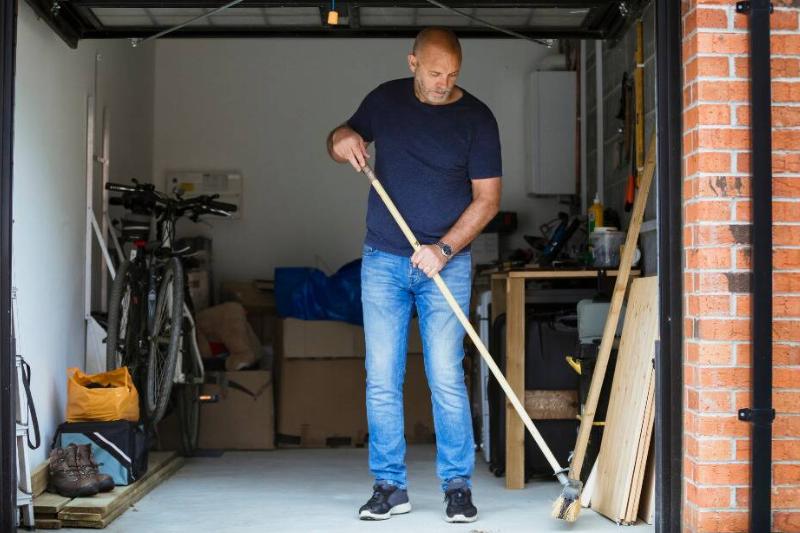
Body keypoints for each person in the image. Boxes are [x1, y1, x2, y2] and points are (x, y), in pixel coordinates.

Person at [326, 27, 502, 524]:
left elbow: (488, 200)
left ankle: (457, 486)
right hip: (383, 260)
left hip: (448, 263)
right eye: (433, 72)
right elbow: (340, 136)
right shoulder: (384, 101)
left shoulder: (477, 119)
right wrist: (341, 139)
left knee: (446, 374)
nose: (443, 83)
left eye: (451, 74)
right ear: (412, 63)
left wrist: (443, 249)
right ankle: (389, 486)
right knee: (382, 376)